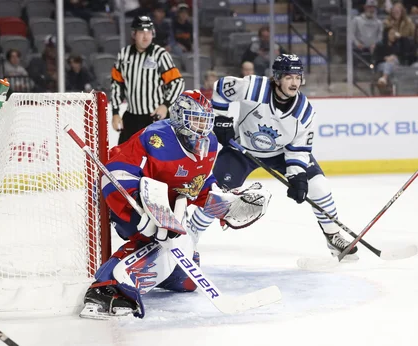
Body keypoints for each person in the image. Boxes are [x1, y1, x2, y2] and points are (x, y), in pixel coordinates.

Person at [80, 90, 271, 319]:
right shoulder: (154, 137)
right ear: (180, 116)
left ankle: (166, 271)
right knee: (154, 240)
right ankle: (106, 289)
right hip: (128, 201)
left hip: (169, 209)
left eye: (205, 120)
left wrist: (226, 205)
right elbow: (116, 173)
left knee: (186, 278)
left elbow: (197, 184)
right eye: (196, 118)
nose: (202, 126)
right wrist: (143, 208)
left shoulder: (209, 143)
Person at [210, 54, 358, 259]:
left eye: (298, 77)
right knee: (213, 194)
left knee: (318, 185)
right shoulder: (254, 87)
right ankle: (189, 235)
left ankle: (333, 236)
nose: (295, 83)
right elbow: (220, 87)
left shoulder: (304, 112)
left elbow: (298, 149)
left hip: (281, 153)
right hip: (242, 149)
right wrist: (221, 118)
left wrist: (297, 177)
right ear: (277, 78)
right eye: (289, 77)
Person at [111, 16, 184, 145]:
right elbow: (117, 84)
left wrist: (165, 105)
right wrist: (115, 112)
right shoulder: (124, 54)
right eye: (141, 32)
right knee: (124, 156)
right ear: (134, 34)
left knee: (157, 157)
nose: (146, 36)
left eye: (149, 32)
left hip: (155, 117)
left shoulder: (160, 54)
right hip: (131, 117)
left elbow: (177, 82)